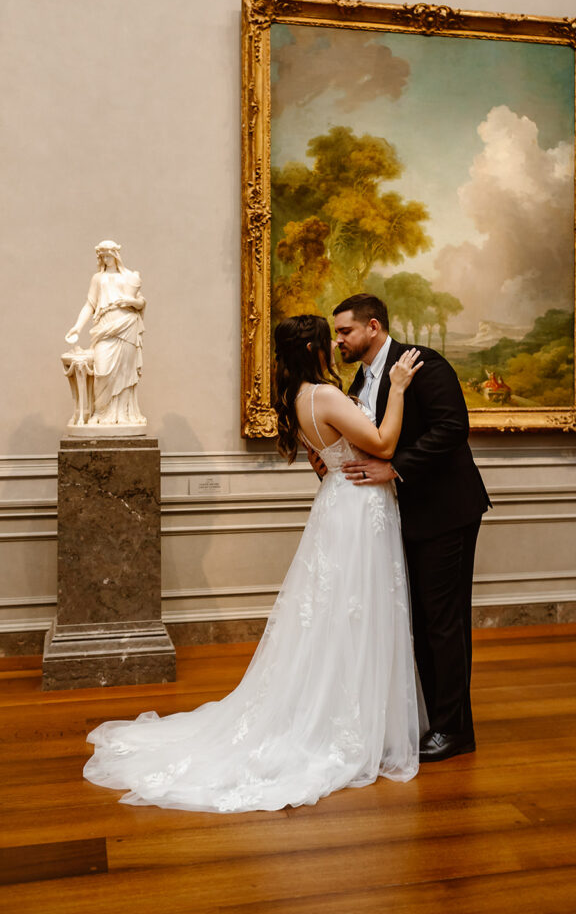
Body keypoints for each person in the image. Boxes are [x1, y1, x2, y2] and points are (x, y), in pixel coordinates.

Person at [83, 314, 424, 813]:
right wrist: (395, 389)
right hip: (356, 507)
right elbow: (384, 445)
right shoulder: (324, 396)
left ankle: (348, 711)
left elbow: (321, 460)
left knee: (339, 615)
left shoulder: (297, 400)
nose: (334, 343)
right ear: (312, 348)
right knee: (354, 610)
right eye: (327, 338)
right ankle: (349, 721)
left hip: (338, 503)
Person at [318, 294, 491, 762]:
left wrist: (395, 470)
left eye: (345, 332)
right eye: (336, 334)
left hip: (445, 512)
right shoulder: (363, 378)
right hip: (404, 516)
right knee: (420, 620)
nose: (339, 342)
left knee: (443, 622)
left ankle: (455, 731)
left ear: (373, 327)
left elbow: (453, 427)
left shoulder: (421, 363)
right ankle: (439, 720)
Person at [65, 241, 146, 426]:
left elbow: (140, 303)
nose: (106, 259)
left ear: (116, 256)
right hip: (105, 328)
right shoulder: (98, 279)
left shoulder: (129, 277)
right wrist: (78, 326)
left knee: (125, 373)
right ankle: (100, 413)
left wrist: (130, 301)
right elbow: (90, 305)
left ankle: (123, 416)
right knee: (102, 371)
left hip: (127, 326)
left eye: (109, 255)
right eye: (103, 256)